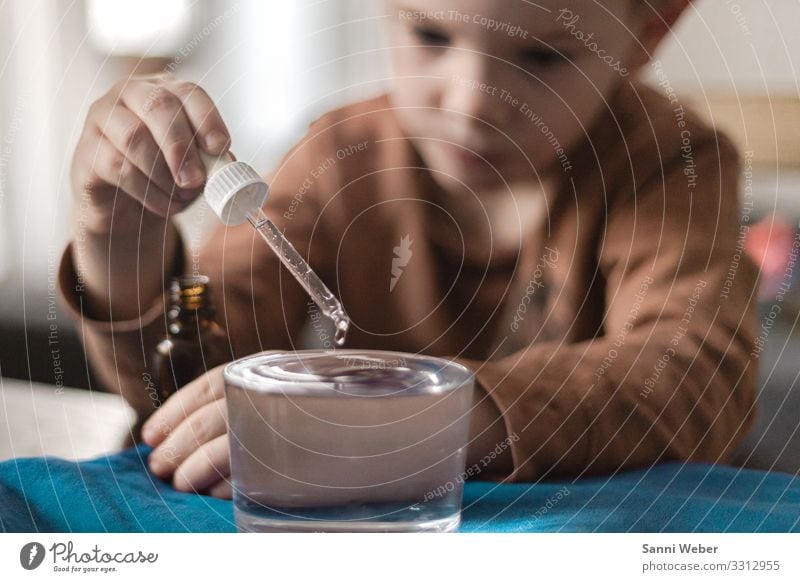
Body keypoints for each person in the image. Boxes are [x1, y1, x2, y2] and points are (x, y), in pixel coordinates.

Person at [59, 0, 758, 499]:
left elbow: (697, 376)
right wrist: (118, 241)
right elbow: (191, 393)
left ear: (650, 26)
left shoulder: (672, 165)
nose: (472, 102)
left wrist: (429, 426)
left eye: (543, 54)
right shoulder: (336, 159)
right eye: (429, 33)